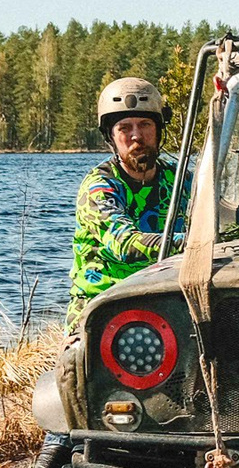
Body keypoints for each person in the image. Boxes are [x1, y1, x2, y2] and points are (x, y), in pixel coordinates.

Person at [69, 76, 182, 333]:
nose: (136, 136)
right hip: (103, 308)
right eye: (124, 128)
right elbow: (124, 244)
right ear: (111, 135)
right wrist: (196, 243)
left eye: (145, 125)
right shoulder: (99, 187)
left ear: (159, 129)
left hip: (166, 300)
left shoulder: (181, 178)